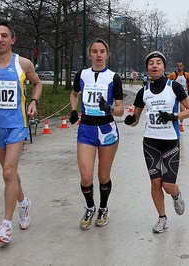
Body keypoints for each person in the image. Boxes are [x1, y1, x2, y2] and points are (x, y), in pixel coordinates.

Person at [0, 22, 42, 244]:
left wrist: (33, 102)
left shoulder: (23, 63)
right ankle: (23, 203)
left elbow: (37, 83)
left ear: (13, 39)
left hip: (17, 125)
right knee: (8, 172)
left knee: (9, 172)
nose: (0, 39)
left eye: (4, 35)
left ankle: (6, 226)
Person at [124, 51, 189, 233]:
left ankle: (176, 194)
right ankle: (162, 218)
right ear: (147, 68)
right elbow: (135, 120)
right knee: (155, 183)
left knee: (167, 185)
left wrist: (174, 115)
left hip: (171, 142)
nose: (154, 66)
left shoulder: (174, 87)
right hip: (150, 143)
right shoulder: (144, 91)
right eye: (151, 63)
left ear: (164, 67)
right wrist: (128, 119)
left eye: (158, 63)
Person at [69, 38, 124, 230]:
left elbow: (121, 110)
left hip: (107, 130)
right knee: (85, 175)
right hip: (86, 129)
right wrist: (74, 110)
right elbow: (74, 93)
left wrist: (108, 108)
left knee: (103, 175)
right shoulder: (82, 75)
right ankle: (90, 207)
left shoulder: (114, 78)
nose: (98, 55)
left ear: (107, 54)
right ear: (90, 54)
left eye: (102, 51)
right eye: (95, 51)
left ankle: (103, 207)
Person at [168, 61, 189, 132]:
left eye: (180, 66)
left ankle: (181, 124)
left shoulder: (186, 74)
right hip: (174, 95)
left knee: (182, 109)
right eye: (178, 66)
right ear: (176, 66)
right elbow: (168, 83)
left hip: (183, 94)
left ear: (183, 66)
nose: (179, 68)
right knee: (174, 110)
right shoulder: (173, 74)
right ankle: (174, 123)